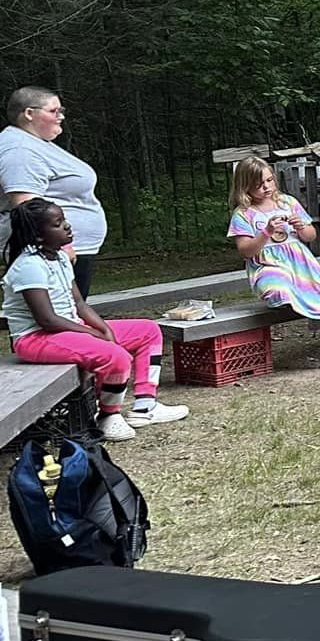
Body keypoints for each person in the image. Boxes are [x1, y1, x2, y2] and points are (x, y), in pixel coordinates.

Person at [5, 198, 188, 441]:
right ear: (38, 236)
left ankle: (145, 406)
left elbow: (79, 303)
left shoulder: (59, 258)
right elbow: (47, 319)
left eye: (64, 220)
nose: (67, 226)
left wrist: (102, 328)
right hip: (36, 338)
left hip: (68, 328)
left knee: (148, 330)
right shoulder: (28, 266)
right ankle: (108, 415)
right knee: (116, 356)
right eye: (58, 224)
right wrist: (94, 335)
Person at [227, 158, 320, 371]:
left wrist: (301, 226)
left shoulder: (288, 202)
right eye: (259, 184)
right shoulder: (243, 213)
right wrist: (266, 232)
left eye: (269, 180)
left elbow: (311, 235)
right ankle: (293, 300)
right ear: (245, 186)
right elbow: (245, 250)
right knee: (279, 288)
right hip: (268, 265)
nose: (266, 187)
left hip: (300, 263)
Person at [0, 87, 110, 297]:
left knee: (72, 320)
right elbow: (28, 205)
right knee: (58, 322)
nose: (61, 117)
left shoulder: (36, 144)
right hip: (53, 254)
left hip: (67, 251)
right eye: (54, 111)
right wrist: (60, 247)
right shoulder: (19, 149)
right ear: (29, 113)